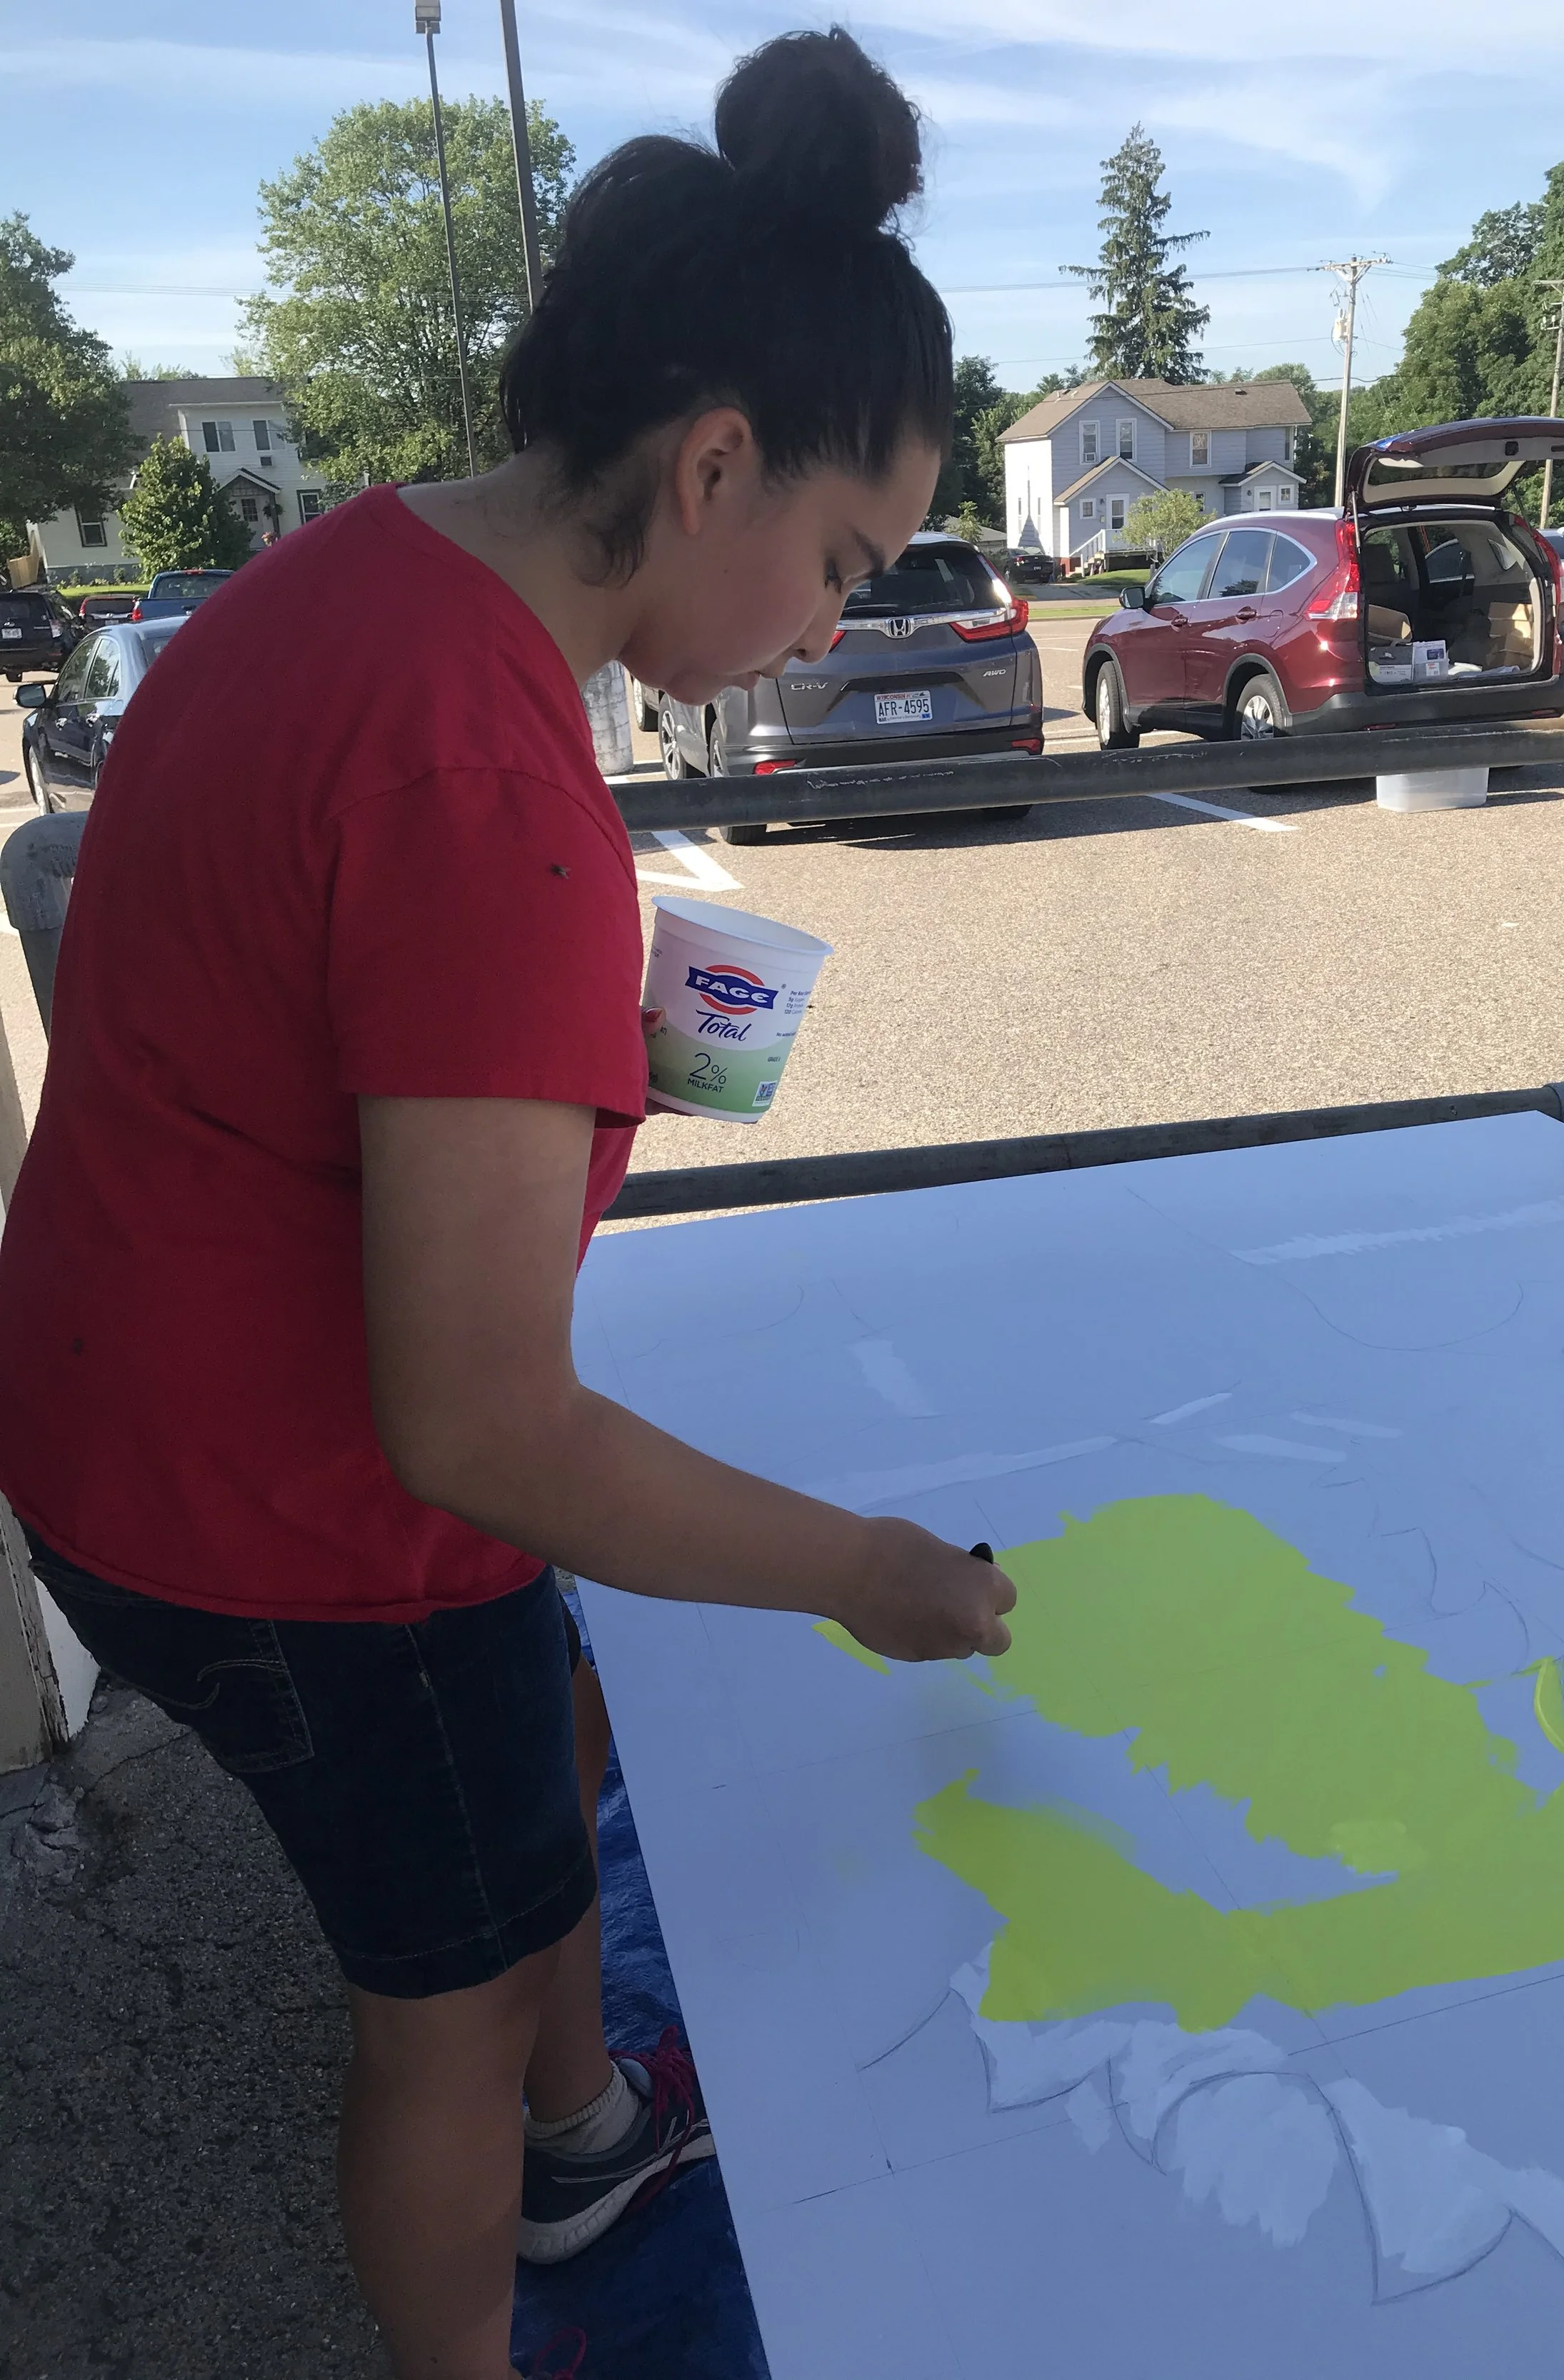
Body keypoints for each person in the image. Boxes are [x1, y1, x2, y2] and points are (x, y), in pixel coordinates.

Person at [0, 29, 1013, 2379]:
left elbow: (321, 1001)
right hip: (280, 1516)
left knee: (531, 1748)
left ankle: (585, 2127)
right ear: (713, 458)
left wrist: (567, 1045)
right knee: (433, 2013)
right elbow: (477, 1430)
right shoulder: (496, 783)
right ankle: (503, 2275)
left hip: (118, 1399)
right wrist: (867, 1573)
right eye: (841, 564)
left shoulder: (355, 576)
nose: (830, 629)